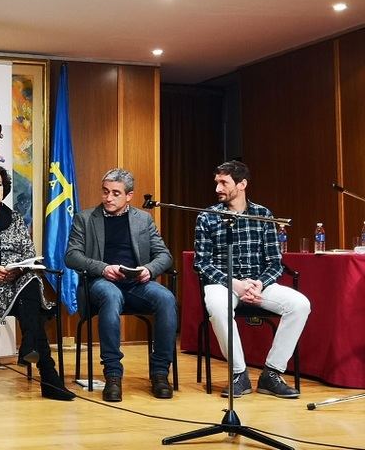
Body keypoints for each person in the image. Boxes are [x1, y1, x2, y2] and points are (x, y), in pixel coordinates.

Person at [0, 163, 75, 401]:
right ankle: (47, 374)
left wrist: (16, 271)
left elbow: (28, 252)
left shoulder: (15, 218)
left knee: (29, 281)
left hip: (16, 281)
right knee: (33, 309)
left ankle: (32, 350)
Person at [194, 160, 311, 399]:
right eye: (217, 182)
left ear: (242, 184)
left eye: (224, 182)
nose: (217, 188)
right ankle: (238, 373)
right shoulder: (207, 217)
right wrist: (234, 283)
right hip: (222, 283)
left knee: (300, 304)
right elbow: (202, 263)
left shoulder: (263, 215)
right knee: (217, 304)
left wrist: (259, 284)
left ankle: (272, 373)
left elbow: (274, 262)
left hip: (258, 284)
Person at [65, 168, 176, 402]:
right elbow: (71, 256)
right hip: (100, 282)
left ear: (129, 196)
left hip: (136, 284)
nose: (108, 198)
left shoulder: (143, 219)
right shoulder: (85, 219)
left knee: (166, 298)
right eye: (105, 192)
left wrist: (149, 269)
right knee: (111, 295)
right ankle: (113, 375)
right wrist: (103, 268)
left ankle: (159, 373)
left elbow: (164, 256)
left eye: (116, 193)